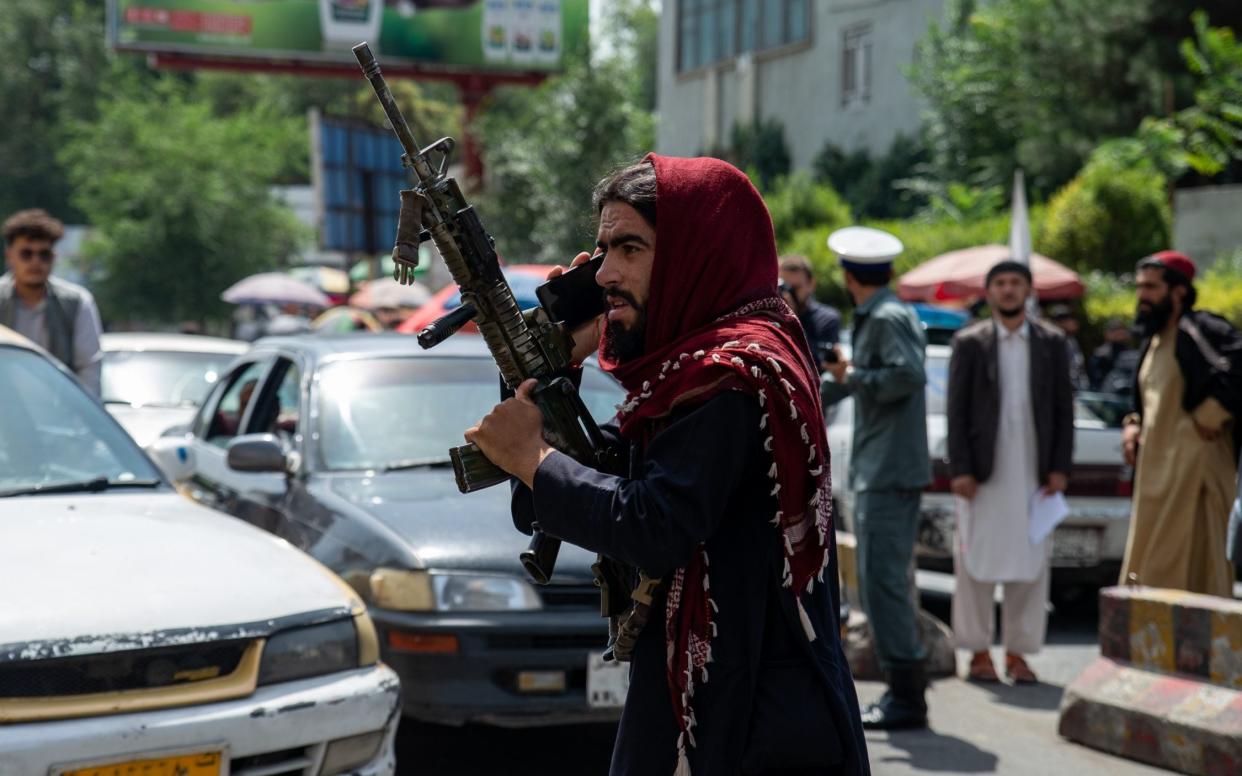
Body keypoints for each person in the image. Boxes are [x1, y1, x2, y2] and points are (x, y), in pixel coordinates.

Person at [466, 156, 869, 775]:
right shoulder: (683, 378)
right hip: (714, 696)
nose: (605, 274)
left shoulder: (731, 377)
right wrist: (545, 368)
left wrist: (533, 458)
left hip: (754, 720)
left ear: (694, 255)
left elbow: (654, 524)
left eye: (630, 248)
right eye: (602, 250)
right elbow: (578, 486)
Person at [820, 226, 930, 730]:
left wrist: (852, 378)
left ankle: (907, 697)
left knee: (883, 584)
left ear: (848, 276)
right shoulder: (881, 314)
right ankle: (903, 692)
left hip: (889, 470)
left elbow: (907, 375)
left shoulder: (886, 316)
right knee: (878, 581)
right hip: (880, 467)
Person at [946, 261, 1074, 684]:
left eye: (1015, 283)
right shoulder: (970, 342)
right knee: (976, 561)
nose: (1007, 290)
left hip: (1034, 472)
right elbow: (956, 411)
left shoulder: (1052, 342)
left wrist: (1059, 467)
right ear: (988, 292)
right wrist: (960, 468)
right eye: (1000, 283)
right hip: (983, 473)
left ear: (1028, 290)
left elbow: (1063, 408)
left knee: (1032, 562)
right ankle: (979, 651)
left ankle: (1018, 653)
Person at [1120, 251, 1241, 597]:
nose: (1142, 295)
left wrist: (1213, 412)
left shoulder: (1202, 329)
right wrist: (1133, 424)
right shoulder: (1153, 341)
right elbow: (1145, 398)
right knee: (1149, 564)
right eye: (1140, 287)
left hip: (1196, 470)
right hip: (1155, 475)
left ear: (1179, 292)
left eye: (1151, 287)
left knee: (1197, 570)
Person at [0, 209, 103, 394]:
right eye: (26, 254)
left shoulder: (76, 302)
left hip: (57, 413)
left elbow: (89, 368)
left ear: (54, 257)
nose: (35, 262)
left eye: (44, 254)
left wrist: (79, 414)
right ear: (10, 256)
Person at [779, 254, 841, 369]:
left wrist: (792, 320)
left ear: (811, 284)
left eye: (795, 288)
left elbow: (819, 364)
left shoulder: (827, 319)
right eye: (785, 288)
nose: (788, 294)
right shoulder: (773, 316)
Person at [1089, 318, 1137, 393]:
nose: (1119, 334)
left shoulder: (1130, 353)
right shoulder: (1101, 354)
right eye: (1115, 331)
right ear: (1107, 333)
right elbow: (1096, 380)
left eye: (1121, 330)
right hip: (1106, 394)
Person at [1048, 304, 1088, 391]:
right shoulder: (1051, 342)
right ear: (1060, 322)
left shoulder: (1071, 340)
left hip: (1077, 390)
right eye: (1071, 319)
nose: (1075, 323)